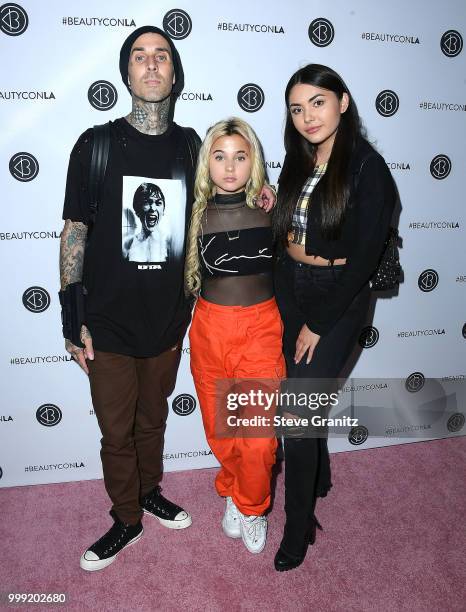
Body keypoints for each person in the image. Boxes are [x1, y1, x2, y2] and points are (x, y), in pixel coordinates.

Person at [59, 25, 199, 572]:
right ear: (126, 74)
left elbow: (222, 200)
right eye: (139, 57)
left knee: (152, 422)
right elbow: (75, 233)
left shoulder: (192, 146)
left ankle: (147, 491)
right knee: (116, 430)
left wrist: (261, 195)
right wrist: (73, 320)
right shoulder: (95, 144)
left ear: (173, 72)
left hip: (167, 320)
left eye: (161, 56)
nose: (150, 65)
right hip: (108, 321)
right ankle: (126, 519)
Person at [272, 64, 396, 571]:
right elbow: (287, 230)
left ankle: (298, 525)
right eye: (297, 108)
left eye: (317, 103)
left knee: (297, 417)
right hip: (293, 289)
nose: (307, 117)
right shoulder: (297, 160)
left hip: (338, 296)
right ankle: (318, 476)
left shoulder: (369, 168)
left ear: (342, 102)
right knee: (304, 391)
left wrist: (318, 321)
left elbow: (364, 260)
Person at [185, 118, 285, 554]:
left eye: (240, 157)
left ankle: (252, 505)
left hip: (261, 327)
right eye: (220, 156)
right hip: (209, 327)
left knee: (259, 437)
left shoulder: (271, 208)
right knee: (220, 428)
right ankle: (232, 484)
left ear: (254, 161)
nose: (230, 167)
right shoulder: (192, 215)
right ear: (208, 161)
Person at [124, 182, 170, 262]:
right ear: (137, 210)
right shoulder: (127, 245)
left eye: (158, 203)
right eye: (147, 203)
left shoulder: (170, 245)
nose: (153, 208)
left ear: (163, 210)